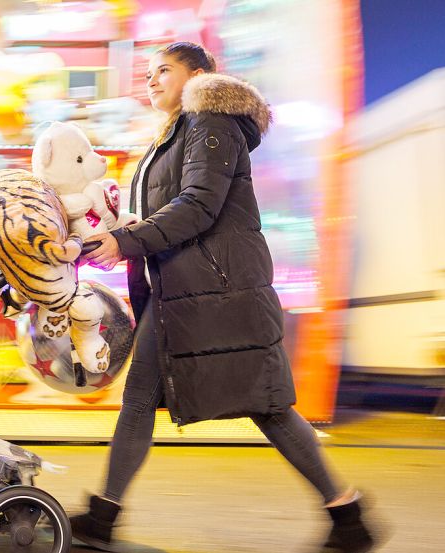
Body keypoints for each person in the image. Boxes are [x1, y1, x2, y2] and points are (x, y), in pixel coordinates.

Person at [72, 42, 376, 553]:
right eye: (148, 73)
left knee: (268, 406)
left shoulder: (209, 122)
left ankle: (346, 512)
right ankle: (104, 516)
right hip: (188, 291)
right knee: (150, 397)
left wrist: (126, 241)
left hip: (217, 291)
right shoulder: (177, 132)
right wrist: (125, 229)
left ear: (199, 74)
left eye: (163, 70)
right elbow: (175, 208)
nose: (150, 81)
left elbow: (198, 206)